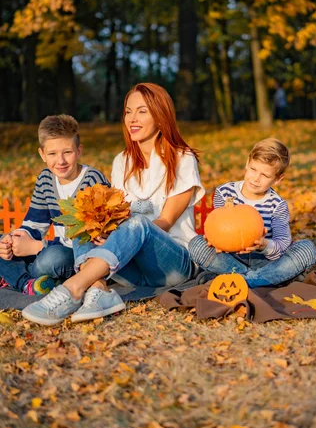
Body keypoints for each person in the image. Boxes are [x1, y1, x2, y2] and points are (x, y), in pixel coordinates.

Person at [22, 83, 205, 325]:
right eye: (128, 111)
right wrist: (104, 232)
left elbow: (166, 221)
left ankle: (72, 288)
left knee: (138, 223)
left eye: (142, 111)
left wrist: (121, 233)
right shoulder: (123, 161)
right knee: (86, 223)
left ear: (161, 117)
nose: (132, 119)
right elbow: (116, 215)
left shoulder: (182, 158)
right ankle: (99, 291)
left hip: (171, 265)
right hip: (129, 267)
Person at [0, 115, 109, 295]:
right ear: (42, 154)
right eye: (52, 154)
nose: (61, 161)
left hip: (78, 257)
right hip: (49, 247)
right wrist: (18, 238)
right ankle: (33, 282)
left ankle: (16, 278)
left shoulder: (93, 181)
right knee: (4, 240)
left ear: (79, 150)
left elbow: (90, 239)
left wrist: (37, 247)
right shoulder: (46, 179)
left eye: (67, 152)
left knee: (51, 259)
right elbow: (35, 223)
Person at [188, 138, 316, 287]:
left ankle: (242, 281)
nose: (256, 179)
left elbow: (282, 244)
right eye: (253, 169)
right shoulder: (224, 193)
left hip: (265, 261)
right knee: (196, 244)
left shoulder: (277, 205)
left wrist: (265, 245)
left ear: (277, 179)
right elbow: (219, 227)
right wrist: (214, 241)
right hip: (230, 260)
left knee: (307, 249)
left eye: (265, 175)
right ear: (247, 163)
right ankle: (263, 280)